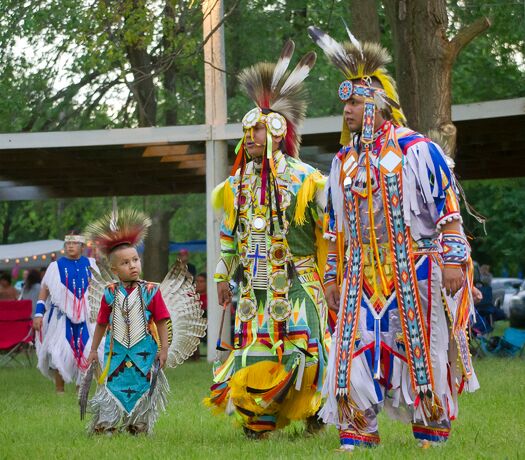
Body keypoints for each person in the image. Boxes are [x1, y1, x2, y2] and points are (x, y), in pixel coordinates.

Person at [309, 26, 479, 450]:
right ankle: (359, 432)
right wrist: (331, 277)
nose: (346, 110)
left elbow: (449, 211)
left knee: (423, 350)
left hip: (417, 269)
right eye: (344, 102)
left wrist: (455, 261)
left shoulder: (417, 149)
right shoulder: (343, 161)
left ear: (379, 105)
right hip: (360, 276)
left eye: (354, 102)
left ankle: (431, 431)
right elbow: (333, 229)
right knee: (350, 354)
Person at [205, 40, 331, 439]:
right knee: (254, 349)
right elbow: (228, 235)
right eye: (248, 129)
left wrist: (332, 277)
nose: (251, 135)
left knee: (304, 349)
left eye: (258, 128)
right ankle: (258, 421)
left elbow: (328, 233)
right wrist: (223, 277)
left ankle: (315, 412)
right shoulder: (235, 184)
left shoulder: (307, 180)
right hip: (253, 288)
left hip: (299, 281)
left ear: (278, 130)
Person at [84, 209, 171, 435]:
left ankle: (138, 425)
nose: (132, 265)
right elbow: (102, 324)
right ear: (114, 269)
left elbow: (161, 321)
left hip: (145, 351)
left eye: (135, 260)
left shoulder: (152, 291)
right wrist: (93, 350)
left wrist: (164, 349)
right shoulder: (109, 292)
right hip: (117, 353)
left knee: (143, 387)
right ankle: (107, 424)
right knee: (113, 386)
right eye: (125, 263)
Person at [32, 231, 99, 393]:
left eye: (74, 243)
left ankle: (80, 390)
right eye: (67, 244)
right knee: (57, 351)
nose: (70, 246)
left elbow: (99, 290)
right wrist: (39, 314)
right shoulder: (55, 266)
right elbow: (44, 290)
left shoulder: (91, 264)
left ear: (82, 246)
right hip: (60, 317)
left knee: (86, 349)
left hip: (86, 316)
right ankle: (59, 391)